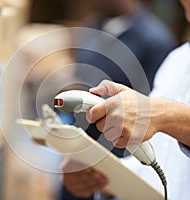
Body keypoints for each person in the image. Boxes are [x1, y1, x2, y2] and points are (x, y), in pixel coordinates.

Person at [61, 0, 190, 199]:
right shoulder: (177, 61)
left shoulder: (156, 41)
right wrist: (105, 177)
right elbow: (160, 161)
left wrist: (161, 113)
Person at [59, 0, 176, 199]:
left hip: (121, 163)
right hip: (80, 153)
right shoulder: (92, 28)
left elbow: (154, 109)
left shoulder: (156, 41)